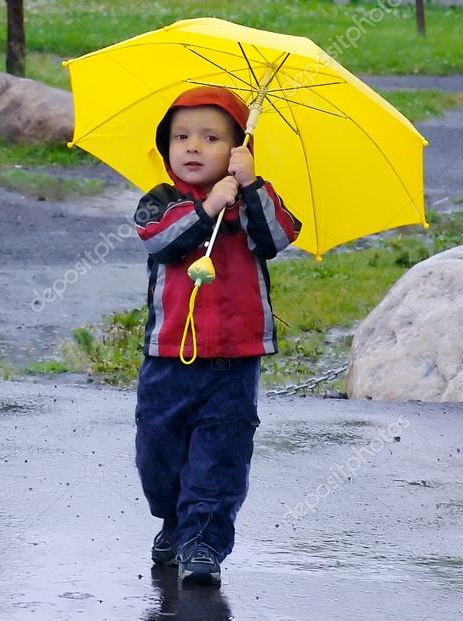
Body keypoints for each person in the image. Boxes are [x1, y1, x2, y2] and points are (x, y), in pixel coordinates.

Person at [133, 85, 301, 587]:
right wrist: (207, 207)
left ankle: (203, 541)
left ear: (238, 149)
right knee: (158, 451)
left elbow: (278, 238)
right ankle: (173, 519)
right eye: (181, 136)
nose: (192, 147)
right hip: (169, 356)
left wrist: (249, 189)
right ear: (165, 147)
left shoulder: (250, 203)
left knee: (222, 450)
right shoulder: (160, 203)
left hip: (235, 357)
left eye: (210, 138)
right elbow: (160, 242)